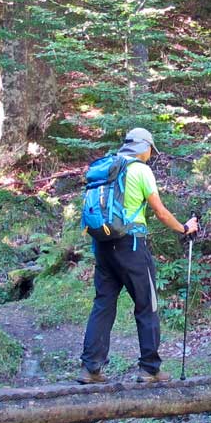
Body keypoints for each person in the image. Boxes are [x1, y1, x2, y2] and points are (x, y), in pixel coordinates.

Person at [79, 128, 199, 384]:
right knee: (147, 304)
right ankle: (150, 369)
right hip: (131, 245)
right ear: (143, 146)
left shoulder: (108, 166)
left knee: (103, 304)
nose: (150, 155)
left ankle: (91, 369)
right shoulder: (140, 170)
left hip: (102, 245)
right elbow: (160, 212)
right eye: (150, 150)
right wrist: (185, 228)